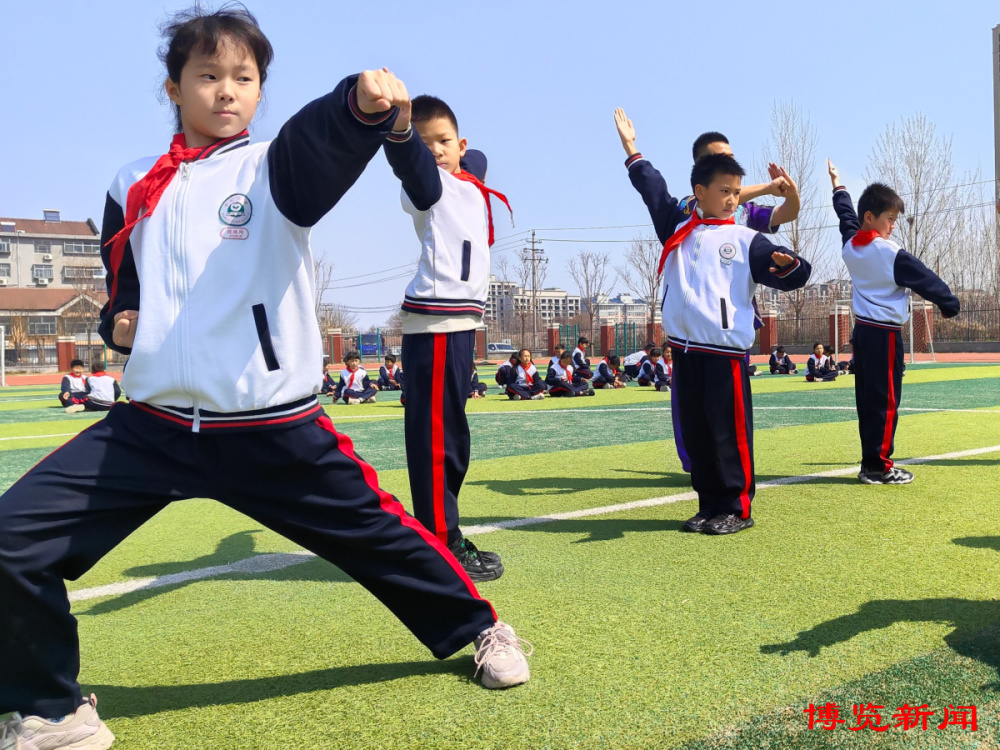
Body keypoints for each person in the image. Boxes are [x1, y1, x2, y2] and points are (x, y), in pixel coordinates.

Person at [0, 13, 531, 747]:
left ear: (259, 92)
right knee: (10, 538)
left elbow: (322, 141)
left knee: (379, 537)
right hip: (152, 425)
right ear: (173, 87)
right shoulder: (132, 184)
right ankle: (53, 712)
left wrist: (357, 103)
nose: (227, 93)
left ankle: (482, 628)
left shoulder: (270, 169)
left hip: (268, 425)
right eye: (209, 77)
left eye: (244, 80)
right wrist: (119, 322)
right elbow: (123, 288)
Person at [617, 107, 811, 535]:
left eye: (737, 192)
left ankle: (737, 508)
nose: (733, 199)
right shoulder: (677, 225)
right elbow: (652, 187)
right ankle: (708, 505)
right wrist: (631, 148)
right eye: (724, 191)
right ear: (698, 190)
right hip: (685, 352)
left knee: (728, 434)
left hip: (724, 352)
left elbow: (794, 270)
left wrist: (789, 266)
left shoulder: (745, 237)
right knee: (699, 433)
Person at [383, 92, 512, 581]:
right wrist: (399, 127)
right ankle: (440, 541)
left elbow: (472, 158)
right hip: (434, 324)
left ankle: (443, 531)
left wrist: (452, 146)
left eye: (444, 142)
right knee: (437, 440)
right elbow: (412, 158)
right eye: (425, 144)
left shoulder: (468, 183)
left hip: (460, 326)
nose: (435, 151)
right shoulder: (427, 185)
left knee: (453, 435)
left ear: (460, 144)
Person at [828, 159, 960, 485]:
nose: (894, 226)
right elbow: (926, 279)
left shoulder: (850, 244)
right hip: (885, 335)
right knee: (886, 401)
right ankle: (880, 467)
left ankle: (869, 461)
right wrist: (950, 305)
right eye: (890, 218)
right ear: (871, 218)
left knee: (868, 400)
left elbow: (846, 215)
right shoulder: (890, 253)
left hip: (863, 334)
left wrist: (837, 186)